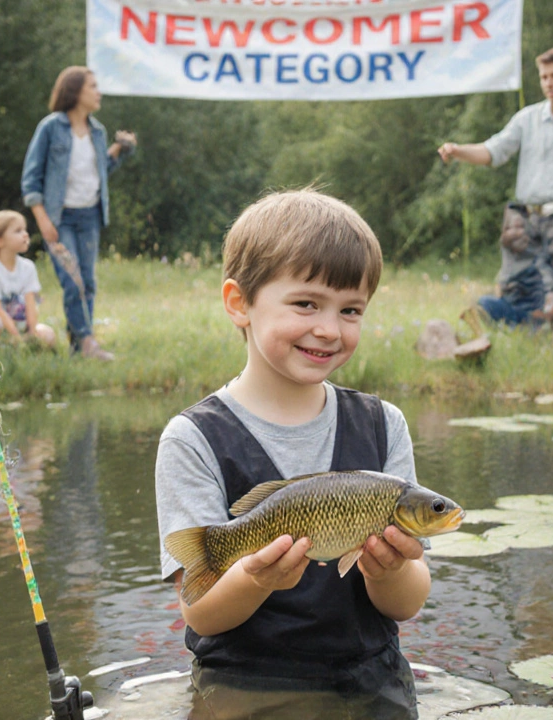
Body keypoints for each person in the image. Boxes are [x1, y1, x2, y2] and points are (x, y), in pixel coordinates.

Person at [154, 190, 427, 720]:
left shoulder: (383, 424)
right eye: (306, 303)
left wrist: (388, 570)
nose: (329, 329)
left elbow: (408, 602)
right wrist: (255, 577)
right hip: (247, 683)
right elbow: (201, 615)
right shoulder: (192, 438)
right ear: (240, 303)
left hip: (370, 678)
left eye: (351, 310)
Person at [438, 45, 553, 337]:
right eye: (544, 76)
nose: (548, 82)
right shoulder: (528, 118)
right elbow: (493, 151)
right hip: (524, 219)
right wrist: (459, 150)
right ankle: (525, 336)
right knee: (516, 284)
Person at [21, 66, 136, 360]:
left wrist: (119, 150)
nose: (98, 92)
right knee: (73, 281)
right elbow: (31, 178)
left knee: (88, 281)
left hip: (90, 217)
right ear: (75, 91)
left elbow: (99, 172)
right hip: (60, 219)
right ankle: (87, 343)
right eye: (93, 86)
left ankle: (79, 347)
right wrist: (43, 220)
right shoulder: (50, 128)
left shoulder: (98, 132)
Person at [0, 210, 57, 347]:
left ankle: (25, 345)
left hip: (24, 325)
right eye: (18, 231)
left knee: (48, 334)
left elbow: (31, 303)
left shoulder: (28, 267)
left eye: (24, 229)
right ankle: (0, 345)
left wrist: (32, 331)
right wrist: (14, 334)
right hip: (3, 326)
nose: (25, 234)